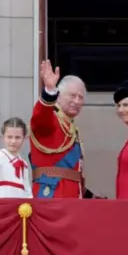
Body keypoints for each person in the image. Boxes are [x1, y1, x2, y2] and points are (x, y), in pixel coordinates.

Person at [29, 60, 100, 198]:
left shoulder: (72, 128)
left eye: (81, 97)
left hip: (71, 197)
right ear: (59, 97)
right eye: (72, 96)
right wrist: (49, 91)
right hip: (51, 195)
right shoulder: (51, 120)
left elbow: (73, 173)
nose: (77, 101)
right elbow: (40, 118)